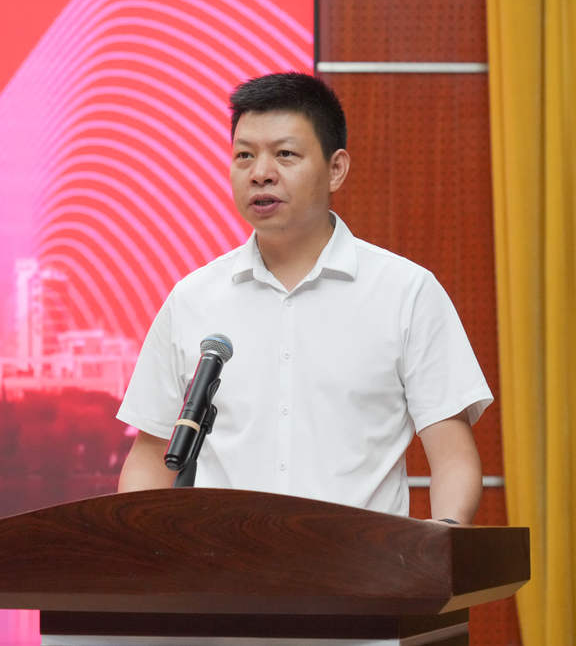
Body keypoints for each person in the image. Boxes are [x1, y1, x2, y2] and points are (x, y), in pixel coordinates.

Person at [116, 72, 492, 523]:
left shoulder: (405, 292)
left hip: (359, 565)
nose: (260, 173)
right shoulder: (193, 298)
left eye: (285, 154)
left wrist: (443, 534)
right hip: (224, 565)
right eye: (244, 155)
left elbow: (452, 456)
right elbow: (151, 453)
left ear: (336, 169)